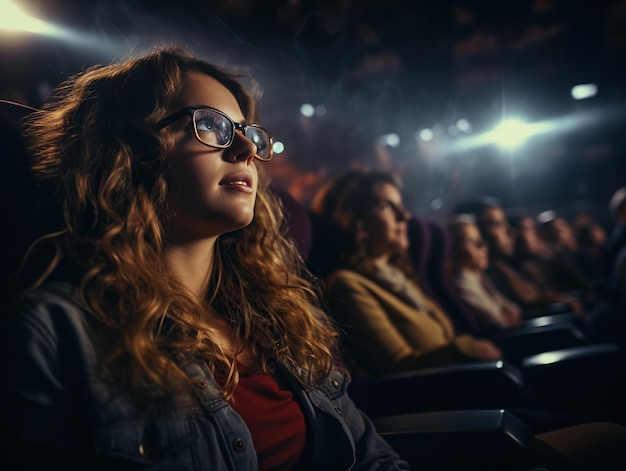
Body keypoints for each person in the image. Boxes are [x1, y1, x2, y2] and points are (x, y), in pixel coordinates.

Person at [0, 46, 412, 470]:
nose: (245, 150)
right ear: (133, 151)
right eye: (212, 126)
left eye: (248, 133)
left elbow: (373, 460)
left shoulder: (282, 316)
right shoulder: (56, 333)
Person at [318, 170, 503, 378]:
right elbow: (399, 366)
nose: (404, 216)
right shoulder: (347, 285)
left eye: (401, 206)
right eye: (385, 206)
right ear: (353, 219)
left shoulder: (398, 275)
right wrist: (467, 348)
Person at [446, 214, 523, 333]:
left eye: (480, 239)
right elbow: (497, 323)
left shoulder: (479, 276)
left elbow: (514, 310)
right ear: (453, 248)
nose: (483, 245)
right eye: (470, 241)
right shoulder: (461, 284)